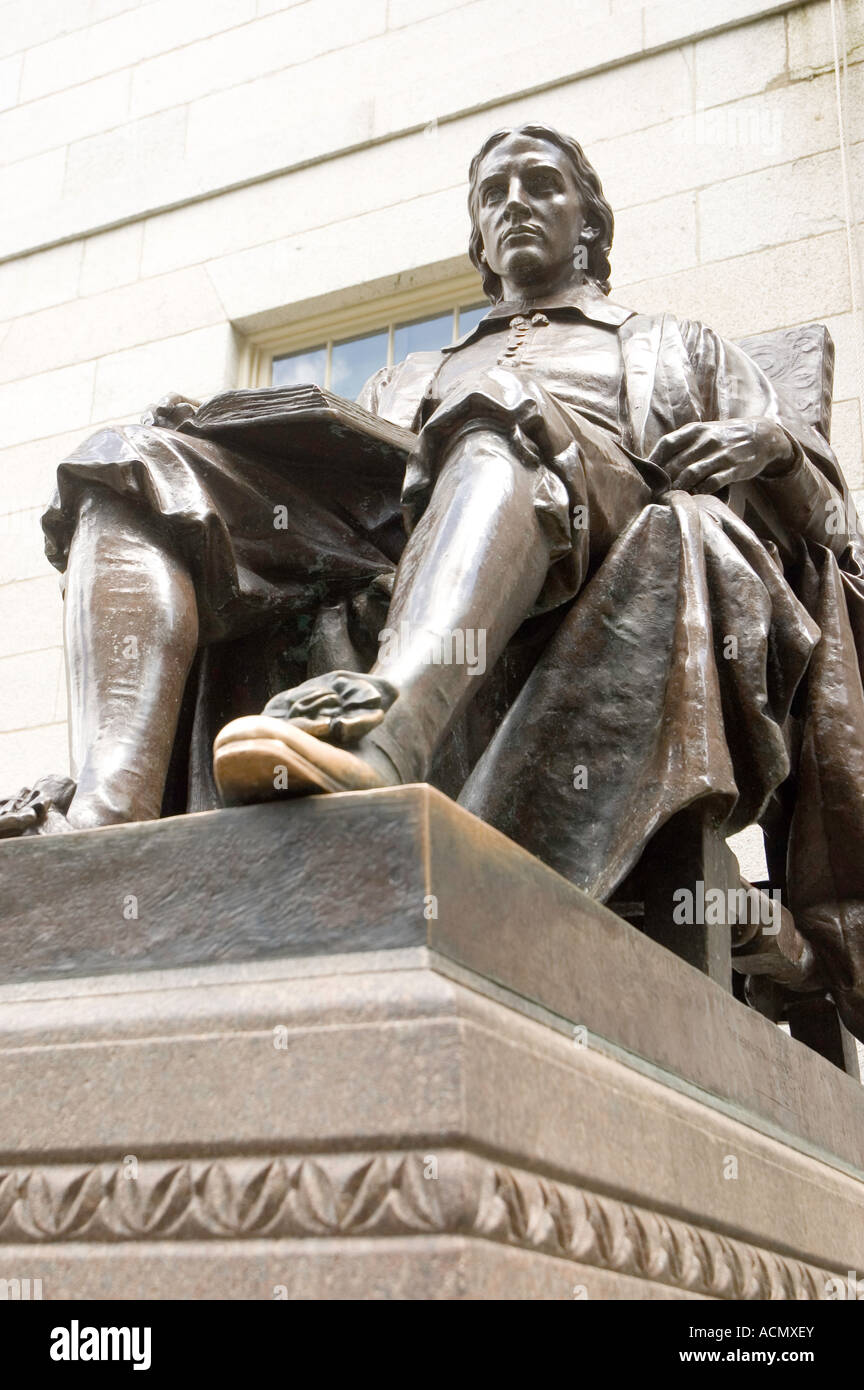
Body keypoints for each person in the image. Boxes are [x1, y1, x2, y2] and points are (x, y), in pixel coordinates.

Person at [6, 124, 864, 1036]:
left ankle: (384, 740)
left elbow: (831, 534)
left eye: (542, 184)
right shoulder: (411, 374)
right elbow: (360, 496)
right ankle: (106, 822)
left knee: (498, 417)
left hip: (598, 534)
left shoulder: (675, 347)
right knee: (132, 459)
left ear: (590, 226)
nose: (515, 203)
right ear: (479, 244)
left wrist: (775, 454)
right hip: (396, 553)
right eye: (493, 193)